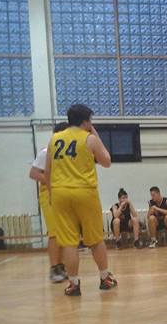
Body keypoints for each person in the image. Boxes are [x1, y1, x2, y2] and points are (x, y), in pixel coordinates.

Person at [44, 104, 117, 296]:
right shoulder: (89, 138)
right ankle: (105, 278)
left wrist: (52, 194)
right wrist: (94, 133)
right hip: (84, 191)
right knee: (95, 239)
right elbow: (107, 161)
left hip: (60, 193)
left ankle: (74, 284)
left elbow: (47, 172)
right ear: (86, 121)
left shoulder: (54, 139)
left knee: (69, 242)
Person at [29, 121, 69, 282]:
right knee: (54, 232)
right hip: (48, 194)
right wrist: (51, 181)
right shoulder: (46, 152)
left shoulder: (67, 153)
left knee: (63, 232)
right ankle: (54, 268)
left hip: (63, 194)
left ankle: (61, 265)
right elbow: (33, 173)